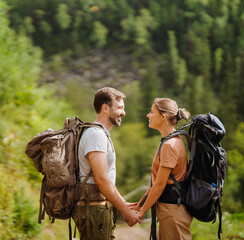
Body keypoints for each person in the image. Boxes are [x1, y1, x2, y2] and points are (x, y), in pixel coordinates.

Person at [72, 87, 141, 240]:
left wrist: (124, 204)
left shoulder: (100, 134)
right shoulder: (95, 135)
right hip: (93, 209)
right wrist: (124, 210)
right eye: (120, 108)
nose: (123, 113)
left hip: (97, 208)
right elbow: (101, 179)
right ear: (105, 108)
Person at [131, 97, 193, 239]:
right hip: (172, 211)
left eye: (152, 112)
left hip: (173, 213)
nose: (148, 115)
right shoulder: (173, 140)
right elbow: (155, 182)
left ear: (163, 116)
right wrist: (139, 204)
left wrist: (140, 214)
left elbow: (160, 184)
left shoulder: (169, 145)